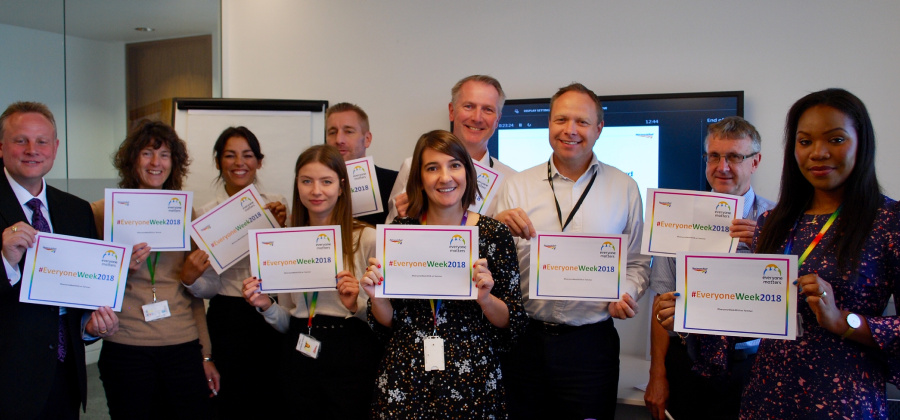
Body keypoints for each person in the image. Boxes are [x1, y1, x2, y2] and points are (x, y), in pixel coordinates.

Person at [735, 89, 898, 418]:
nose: (818, 153)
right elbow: (752, 317)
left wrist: (843, 321)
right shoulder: (773, 222)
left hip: (843, 403)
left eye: (835, 140)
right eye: (805, 141)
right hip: (766, 399)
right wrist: (688, 316)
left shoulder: (888, 221)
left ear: (861, 142)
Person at [495, 83, 651, 419]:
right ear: (549, 124)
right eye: (560, 119)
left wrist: (625, 292)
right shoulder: (516, 186)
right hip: (525, 340)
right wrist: (495, 228)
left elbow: (637, 263)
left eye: (581, 121)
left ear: (599, 129)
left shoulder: (625, 188)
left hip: (591, 345)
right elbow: (492, 264)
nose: (570, 130)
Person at [362, 130, 527, 418]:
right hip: (406, 375)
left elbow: (512, 322)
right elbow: (389, 322)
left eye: (454, 165)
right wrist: (377, 298)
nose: (445, 177)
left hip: (473, 377)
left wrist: (486, 299)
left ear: (468, 172)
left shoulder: (493, 234)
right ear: (419, 178)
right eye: (432, 168)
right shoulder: (400, 233)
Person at [644, 116, 775, 420]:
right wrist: (657, 373)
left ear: (755, 162)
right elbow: (661, 301)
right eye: (714, 156)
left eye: (734, 157)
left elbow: (794, 295)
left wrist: (767, 244)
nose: (722, 167)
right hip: (688, 361)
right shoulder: (676, 218)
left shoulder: (780, 220)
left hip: (753, 365)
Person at [241, 144, 382, 419]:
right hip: (298, 349)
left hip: (350, 350)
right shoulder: (285, 241)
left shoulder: (367, 239)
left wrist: (357, 305)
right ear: (297, 186)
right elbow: (287, 320)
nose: (316, 191)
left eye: (326, 181)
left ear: (341, 187)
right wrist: (265, 305)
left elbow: (386, 319)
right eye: (307, 181)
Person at [89, 121, 219, 418]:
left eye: (164, 155)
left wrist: (206, 354)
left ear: (174, 163)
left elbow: (196, 293)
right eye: (147, 153)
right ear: (132, 159)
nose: (155, 163)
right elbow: (89, 284)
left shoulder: (185, 213)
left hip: (182, 344)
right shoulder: (101, 213)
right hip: (126, 344)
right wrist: (121, 270)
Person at [0, 101, 119, 419]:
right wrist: (5, 261)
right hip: (6, 381)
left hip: (64, 378)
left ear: (54, 148)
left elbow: (83, 296)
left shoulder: (76, 211)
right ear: (1, 147)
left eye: (41, 141)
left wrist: (91, 325)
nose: (31, 149)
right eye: (20, 140)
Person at [181, 126, 288, 418]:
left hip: (270, 313)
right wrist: (189, 280)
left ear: (259, 161)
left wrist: (284, 228)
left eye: (247, 155)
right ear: (218, 162)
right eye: (230, 155)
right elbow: (210, 286)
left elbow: (292, 264)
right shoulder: (205, 216)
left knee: (272, 398)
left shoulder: (277, 205)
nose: (239, 163)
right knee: (230, 400)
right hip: (228, 317)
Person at [386, 75, 516, 221]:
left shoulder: (512, 181)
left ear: (497, 119)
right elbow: (388, 235)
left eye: (488, 110)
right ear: (452, 111)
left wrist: (501, 228)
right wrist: (402, 216)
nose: (477, 118)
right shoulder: (413, 166)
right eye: (469, 106)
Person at [324, 102, 397, 226]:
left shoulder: (394, 182)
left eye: (348, 131)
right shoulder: (316, 187)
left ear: (367, 139)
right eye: (332, 132)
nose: (339, 140)